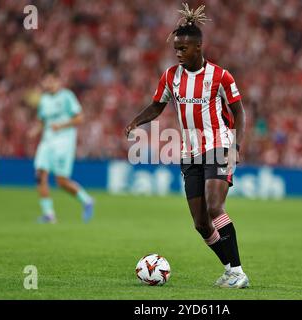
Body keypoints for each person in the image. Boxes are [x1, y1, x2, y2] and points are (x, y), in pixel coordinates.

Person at [125, 4, 248, 288]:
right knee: (201, 224)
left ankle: (239, 272)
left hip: (219, 146)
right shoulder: (171, 76)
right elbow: (157, 107)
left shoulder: (220, 76)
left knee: (216, 207)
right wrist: (136, 121)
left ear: (198, 47)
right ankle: (230, 268)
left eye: (183, 48)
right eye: (176, 49)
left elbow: (239, 111)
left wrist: (237, 145)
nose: (178, 53)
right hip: (188, 153)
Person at [29, 72, 94, 224]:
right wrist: (34, 131)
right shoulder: (43, 100)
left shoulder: (67, 96)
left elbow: (79, 118)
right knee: (39, 175)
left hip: (64, 142)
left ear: (58, 81)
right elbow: (41, 121)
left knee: (61, 181)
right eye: (46, 81)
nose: (49, 84)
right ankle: (49, 214)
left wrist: (61, 125)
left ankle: (87, 200)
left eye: (52, 80)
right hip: (47, 142)